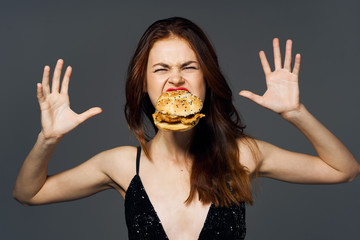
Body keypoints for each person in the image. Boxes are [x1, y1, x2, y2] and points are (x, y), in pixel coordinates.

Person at [13, 17, 359, 240]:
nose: (176, 77)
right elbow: (28, 194)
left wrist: (296, 113)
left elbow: (344, 170)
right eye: (161, 68)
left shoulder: (243, 154)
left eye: (189, 66)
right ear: (144, 84)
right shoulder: (120, 165)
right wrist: (48, 139)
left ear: (206, 81)